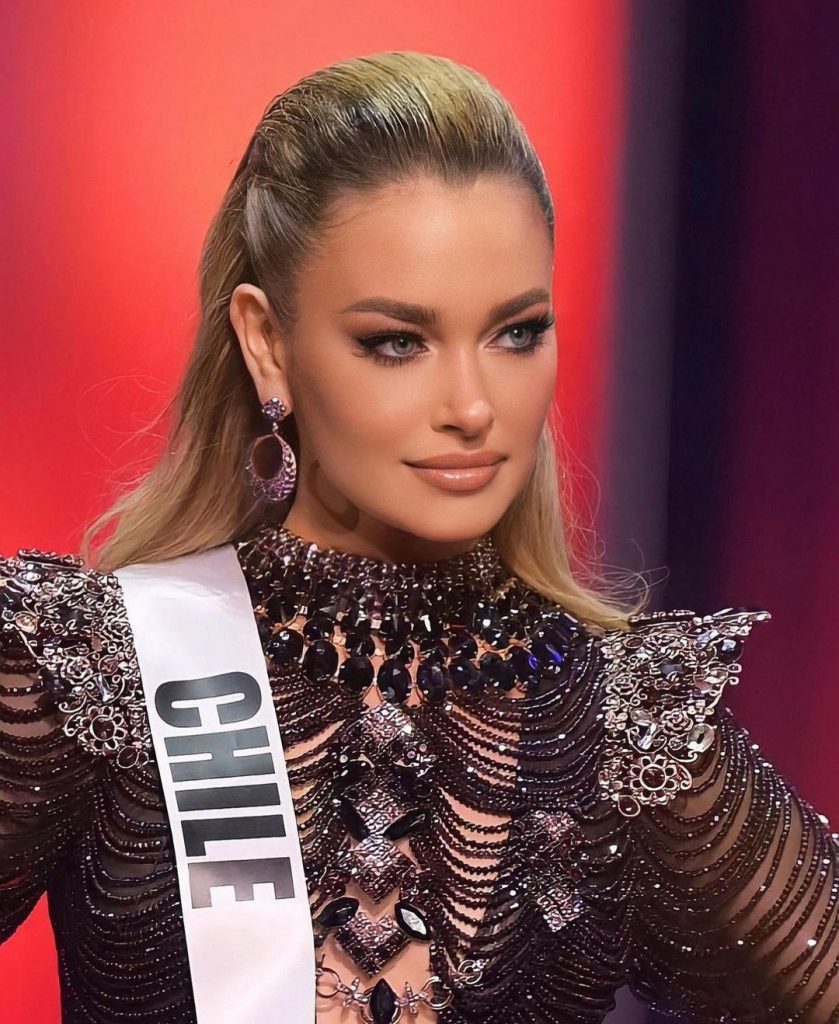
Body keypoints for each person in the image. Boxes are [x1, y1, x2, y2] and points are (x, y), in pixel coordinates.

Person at [1, 51, 836, 1024]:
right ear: (267, 343)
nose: (472, 406)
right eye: (396, 342)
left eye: (515, 332)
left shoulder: (616, 726)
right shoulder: (100, 667)